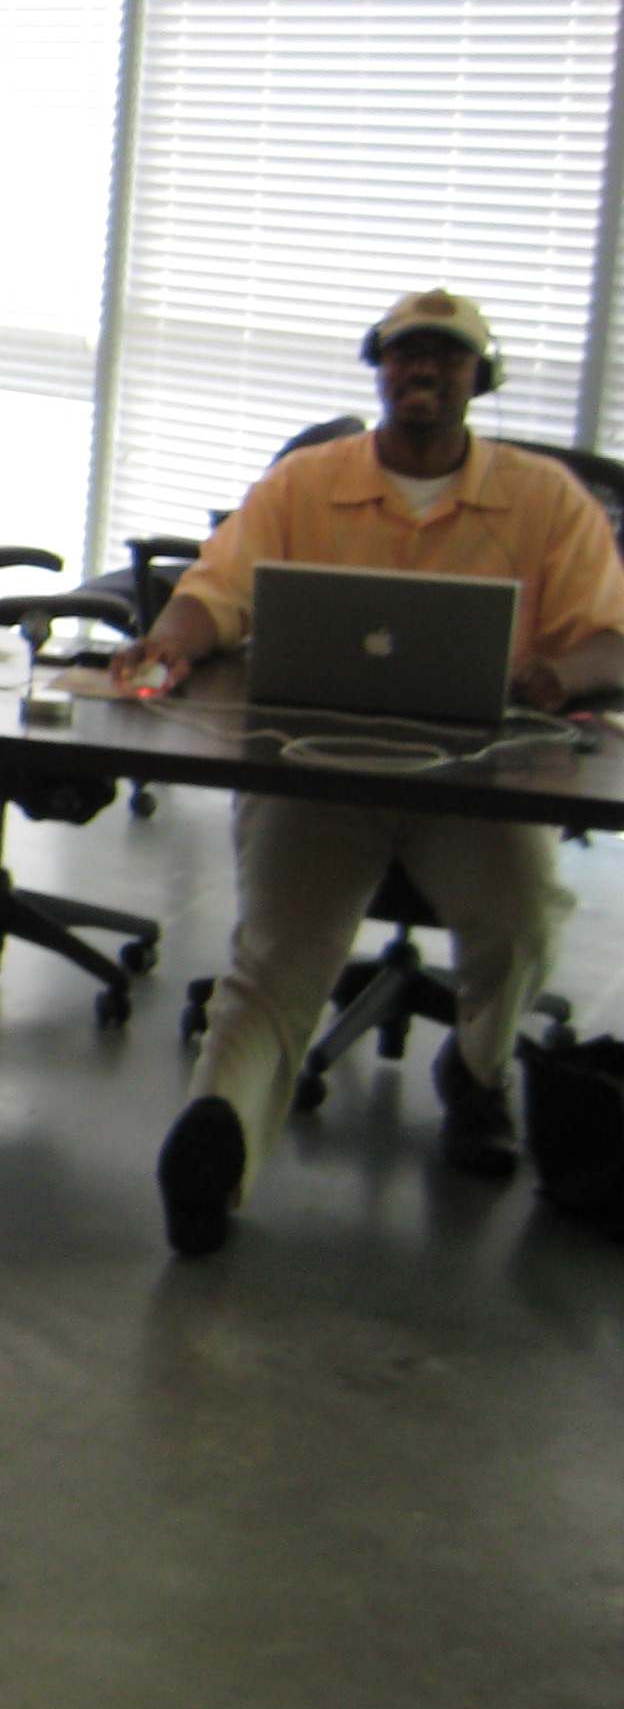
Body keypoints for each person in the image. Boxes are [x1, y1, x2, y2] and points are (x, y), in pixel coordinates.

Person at [120, 289, 624, 1258]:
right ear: (378, 366)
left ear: (480, 376)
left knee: (522, 919)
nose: (423, 369)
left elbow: (611, 636)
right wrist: (169, 643)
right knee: (276, 957)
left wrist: (561, 674)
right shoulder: (307, 484)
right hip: (317, 773)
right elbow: (213, 593)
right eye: (404, 353)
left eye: (447, 355)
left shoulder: (544, 498)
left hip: (477, 783)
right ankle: (216, 1143)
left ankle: (477, 1071)